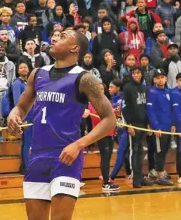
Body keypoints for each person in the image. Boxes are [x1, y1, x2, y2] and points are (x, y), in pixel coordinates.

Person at [7, 30, 116, 220]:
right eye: (55, 34)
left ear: (75, 48)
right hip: (38, 154)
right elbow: (21, 107)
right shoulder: (37, 74)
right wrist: (14, 115)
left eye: (63, 36)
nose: (54, 37)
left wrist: (79, 144)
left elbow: (109, 120)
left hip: (66, 156)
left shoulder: (84, 78)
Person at [146, 70, 174, 186]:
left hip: (168, 127)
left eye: (162, 77)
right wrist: (155, 127)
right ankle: (160, 176)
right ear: (154, 80)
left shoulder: (168, 92)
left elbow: (171, 110)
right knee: (159, 151)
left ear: (166, 78)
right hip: (159, 128)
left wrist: (173, 124)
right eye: (158, 77)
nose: (160, 79)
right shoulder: (152, 92)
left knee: (165, 150)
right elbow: (150, 111)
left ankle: (159, 172)